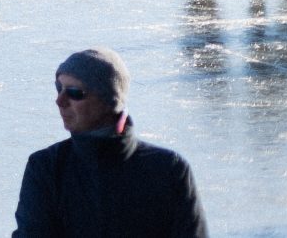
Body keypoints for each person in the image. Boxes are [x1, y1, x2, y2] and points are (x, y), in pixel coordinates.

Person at [12, 49, 206, 238]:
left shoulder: (168, 169)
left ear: (108, 100)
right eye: (59, 88)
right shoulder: (46, 167)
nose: (60, 100)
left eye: (74, 92)